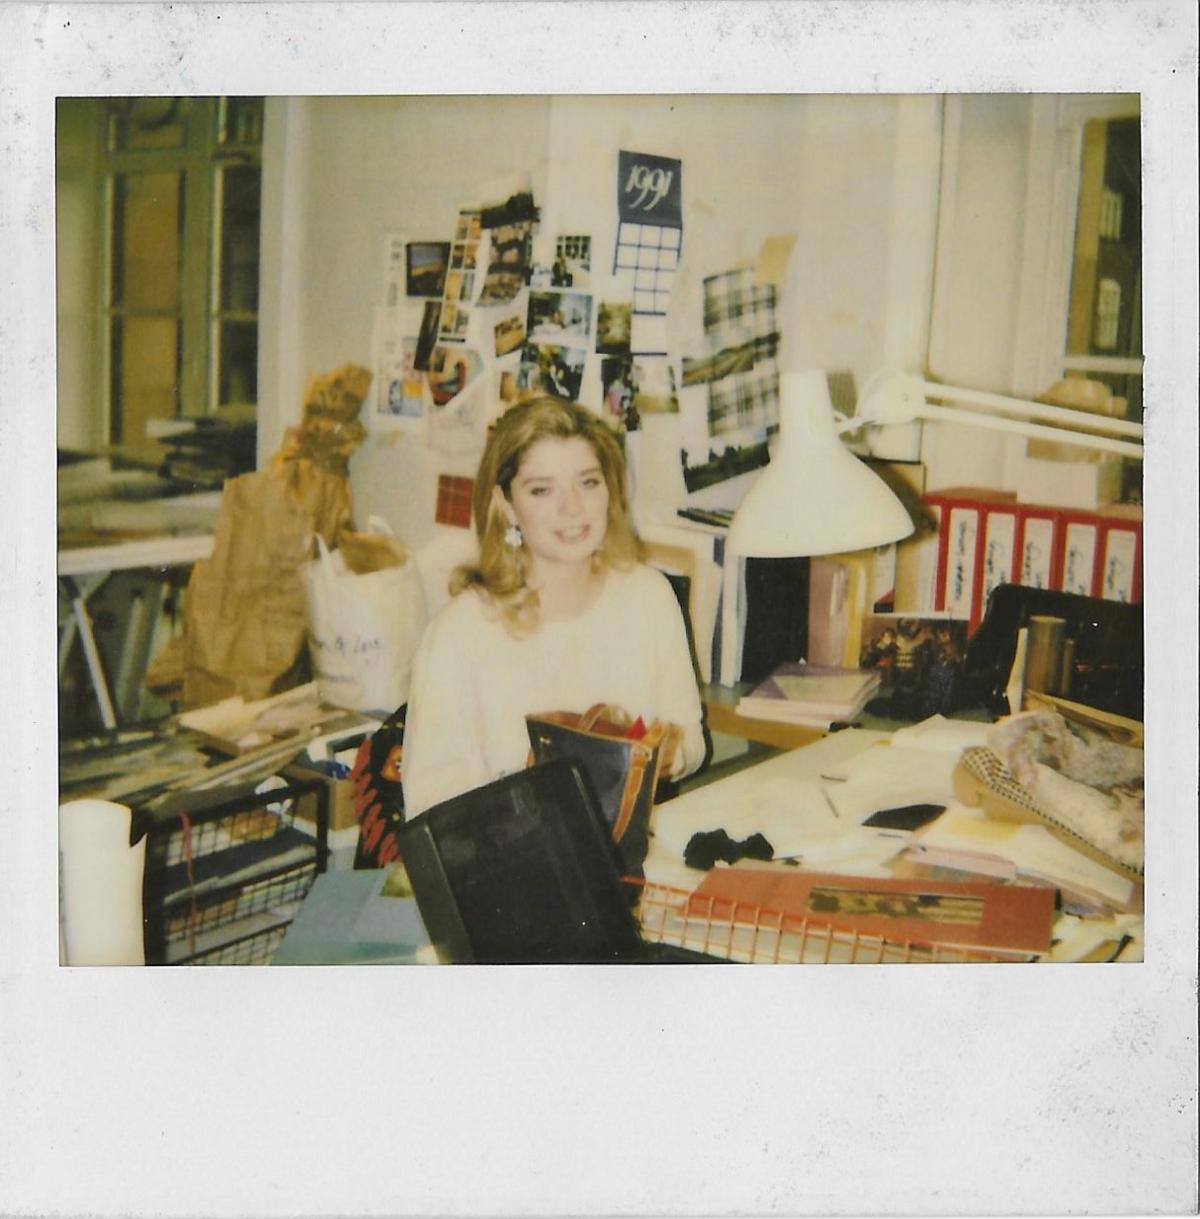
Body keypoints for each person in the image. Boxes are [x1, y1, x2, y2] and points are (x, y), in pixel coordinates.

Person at [401, 395, 706, 817]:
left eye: (588, 482)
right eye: (542, 490)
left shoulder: (649, 596)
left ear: (610, 490)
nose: (572, 508)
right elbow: (432, 808)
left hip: (631, 855)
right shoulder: (460, 633)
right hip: (516, 865)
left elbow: (691, 739)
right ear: (506, 505)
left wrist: (672, 753)